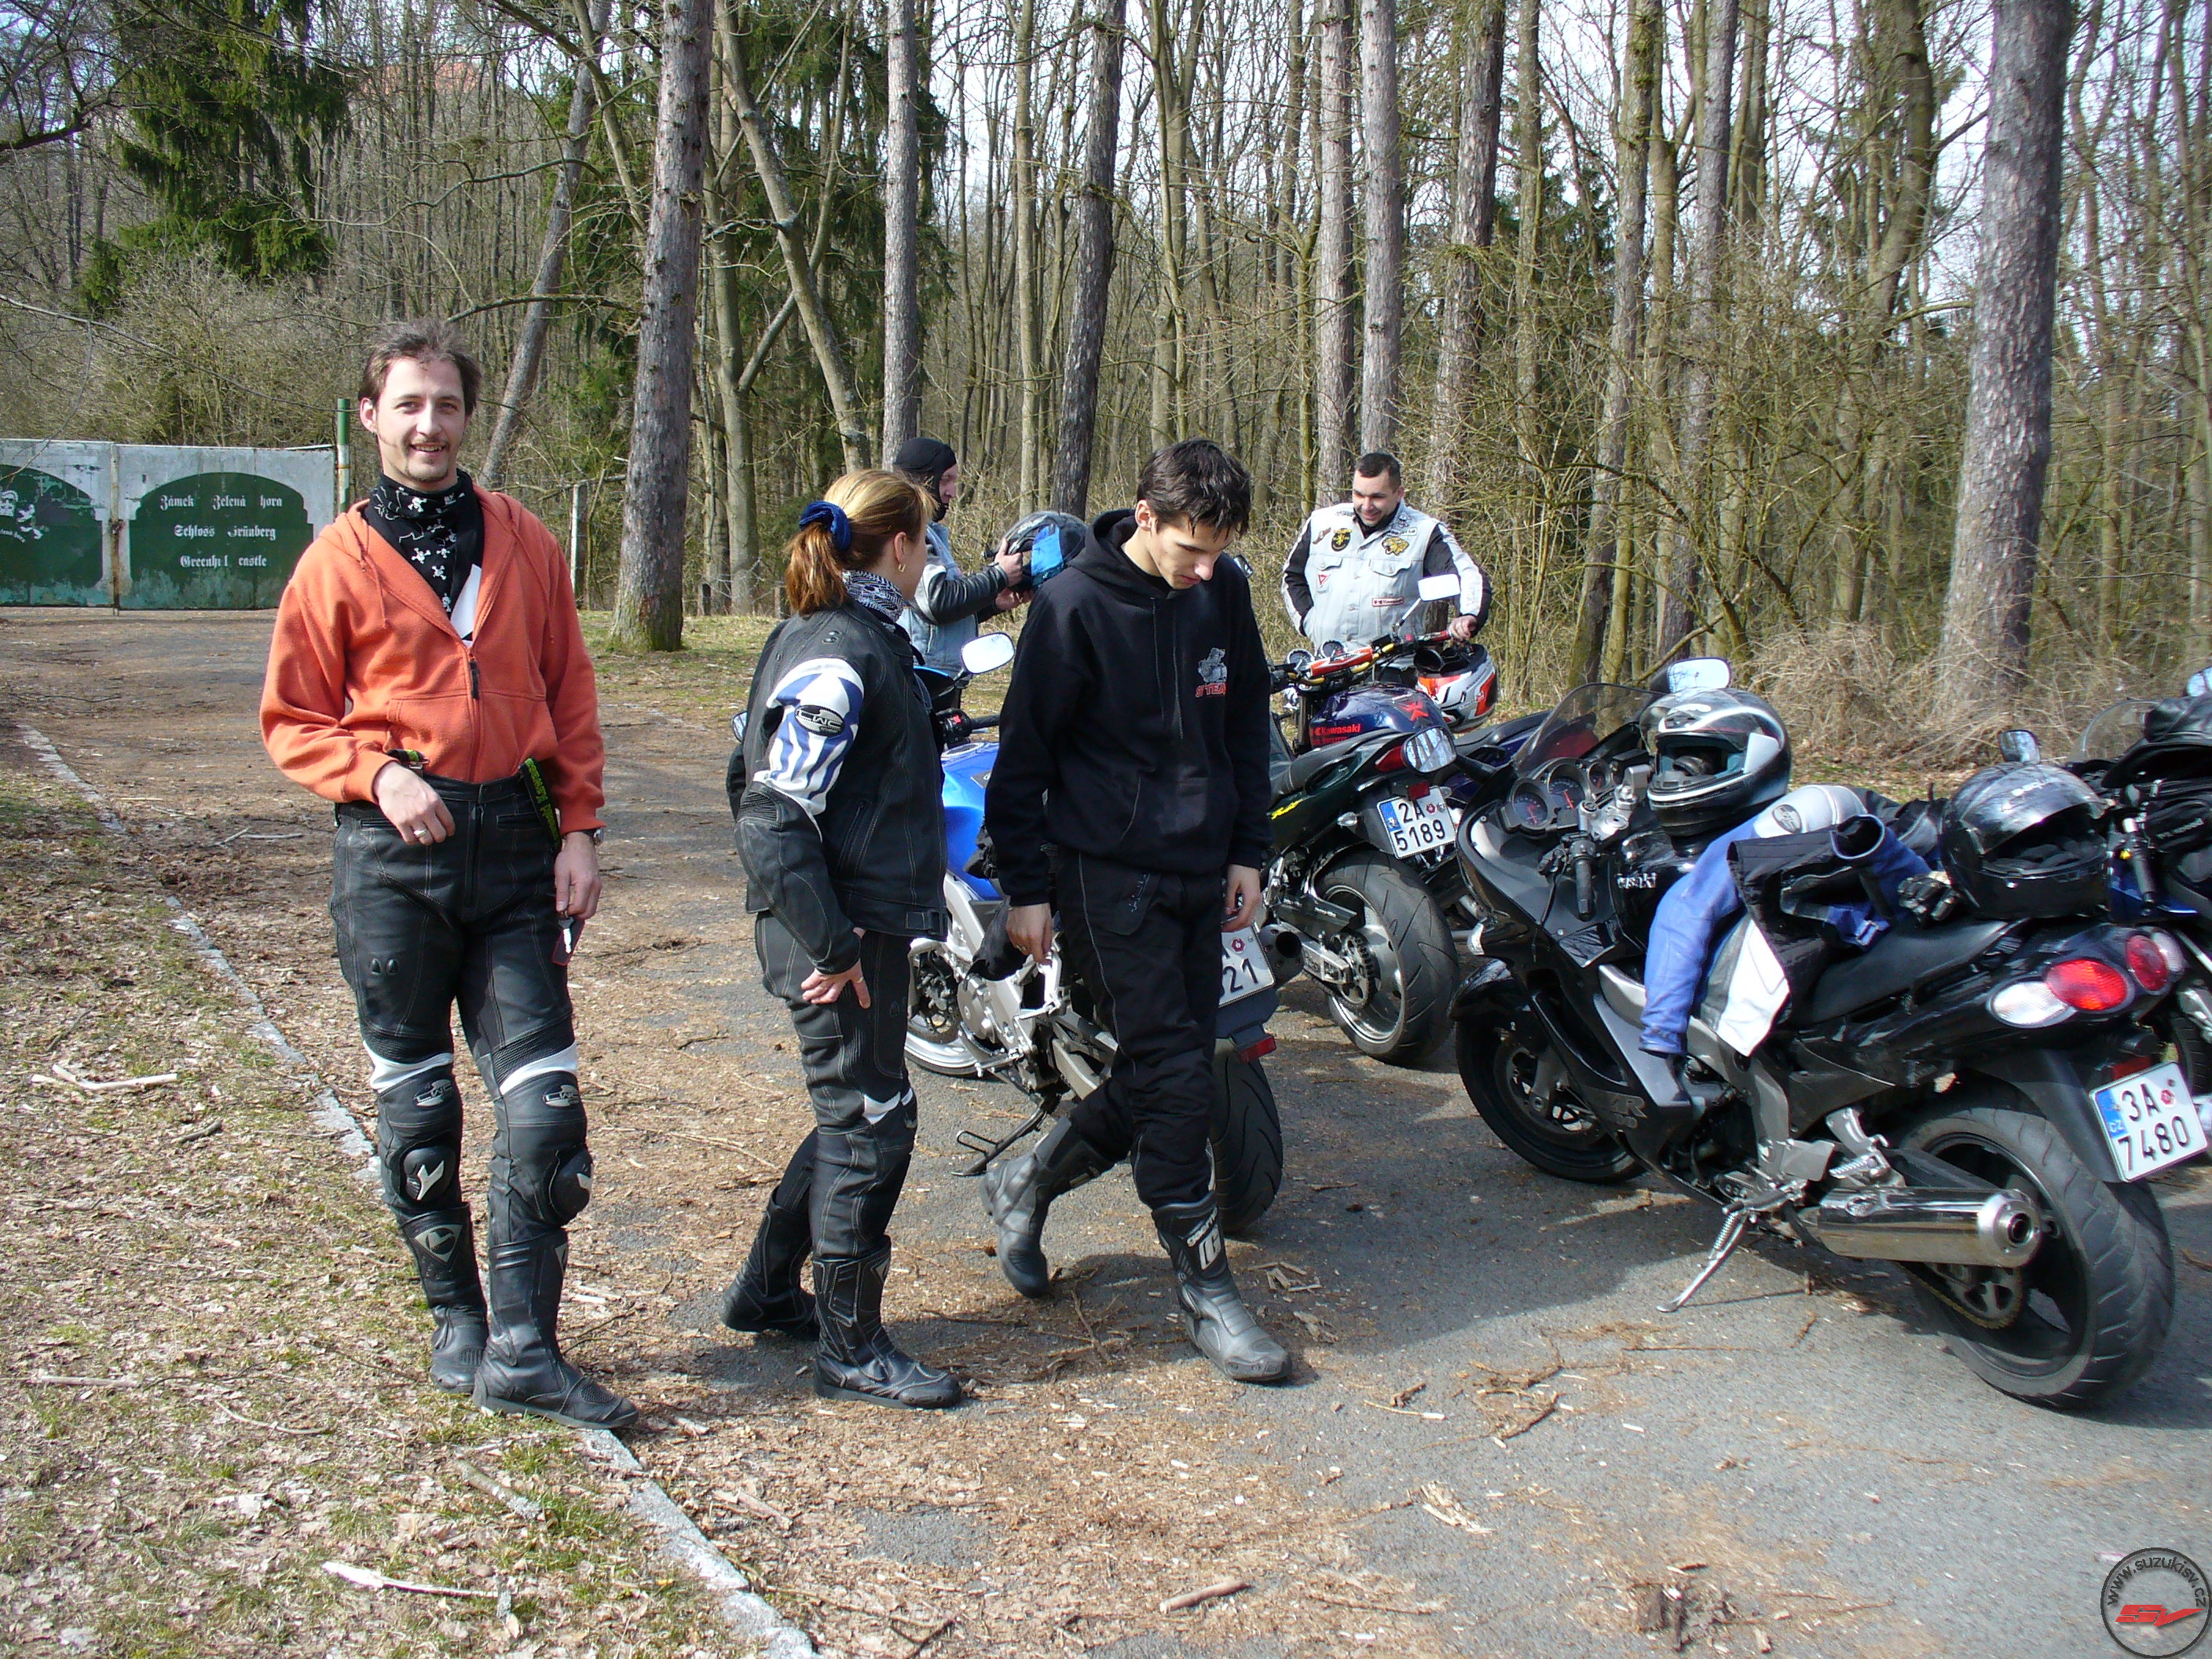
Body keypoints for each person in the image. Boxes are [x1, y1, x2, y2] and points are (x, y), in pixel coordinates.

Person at [260, 320, 634, 1430]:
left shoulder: (523, 540)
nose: (430, 425)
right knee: (420, 1110)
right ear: (370, 417)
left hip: (515, 850)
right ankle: (457, 1320)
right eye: (409, 405)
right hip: (393, 862)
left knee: (546, 1122)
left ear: (470, 417)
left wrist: (579, 829)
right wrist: (376, 775)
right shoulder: (335, 560)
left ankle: (524, 1352)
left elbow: (569, 691)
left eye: (448, 406)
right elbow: (291, 718)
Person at [980, 438, 1292, 1386]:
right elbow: (1022, 758)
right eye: (1190, 549)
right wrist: (1025, 890)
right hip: (1107, 875)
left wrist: (1248, 849)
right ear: (1144, 517)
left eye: (1219, 552)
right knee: (1176, 1081)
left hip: (1203, 865)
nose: (1204, 569)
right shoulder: (1072, 606)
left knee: (1173, 1067)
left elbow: (1245, 725)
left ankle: (1027, 1179)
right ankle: (1205, 1291)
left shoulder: (1220, 591)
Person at [718, 469, 963, 1411]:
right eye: (926, 543)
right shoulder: (839, 648)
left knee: (854, 1112)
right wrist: (831, 943)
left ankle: (765, 1291)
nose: (929, 560)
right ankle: (849, 1347)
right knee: (871, 1126)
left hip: (848, 925)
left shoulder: (840, 636)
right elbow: (770, 810)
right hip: (838, 942)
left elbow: (745, 772)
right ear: (899, 547)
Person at [1281, 449, 1491, 650]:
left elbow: (1468, 575)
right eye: (1359, 495)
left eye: (1377, 497)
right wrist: (1309, 621)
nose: (1366, 506)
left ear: (1399, 493)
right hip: (1326, 663)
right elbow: (1292, 575)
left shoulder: (1424, 532)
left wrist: (1468, 614)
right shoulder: (1322, 524)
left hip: (1394, 666)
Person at [892, 436, 1027, 674]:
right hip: (919, 676)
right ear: (922, 480)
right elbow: (937, 603)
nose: (952, 492)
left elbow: (938, 614)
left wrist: (992, 603)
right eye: (945, 480)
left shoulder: (929, 532)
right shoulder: (908, 529)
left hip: (935, 675)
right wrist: (998, 575)